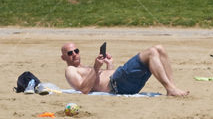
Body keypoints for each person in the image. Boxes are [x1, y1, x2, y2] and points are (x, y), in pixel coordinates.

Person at [61, 42, 189, 96]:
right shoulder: (71, 70)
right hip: (118, 84)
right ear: (63, 58)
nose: (74, 54)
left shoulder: (85, 68)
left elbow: (100, 79)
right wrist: (96, 67)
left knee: (160, 49)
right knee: (151, 52)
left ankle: (172, 86)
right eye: (70, 53)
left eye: (76, 51)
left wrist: (109, 65)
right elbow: (84, 89)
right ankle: (170, 89)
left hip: (124, 83)